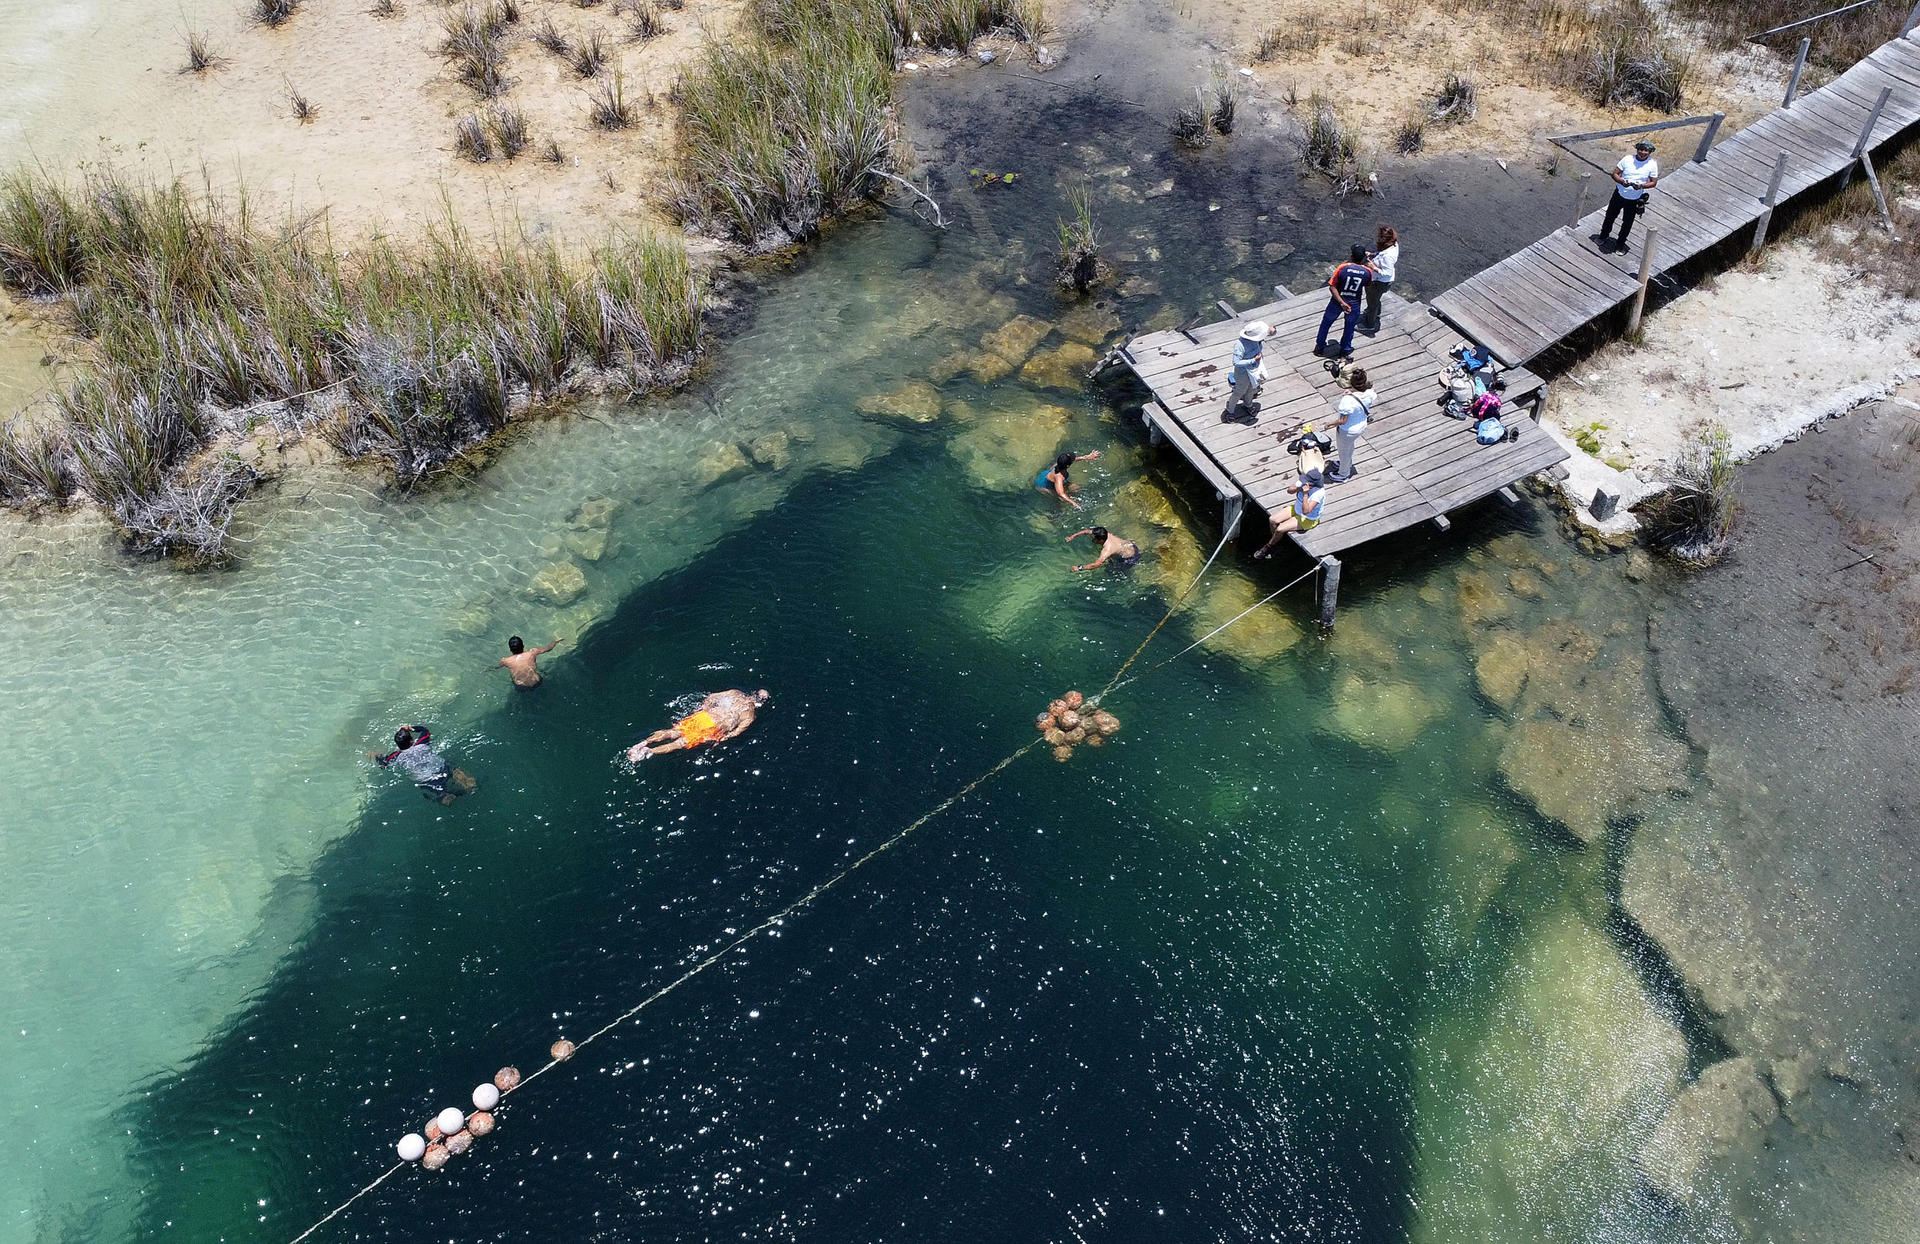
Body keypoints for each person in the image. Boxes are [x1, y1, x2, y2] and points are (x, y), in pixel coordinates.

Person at [627, 689, 770, 761]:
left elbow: (711, 698)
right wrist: (720, 739)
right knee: (680, 743)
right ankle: (649, 751)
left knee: (674, 731)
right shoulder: (750, 715)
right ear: (760, 703)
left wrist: (703, 709)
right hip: (715, 727)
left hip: (704, 716)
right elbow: (735, 733)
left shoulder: (735, 693)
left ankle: (644, 742)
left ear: (753, 692)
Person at [370, 725, 476, 804]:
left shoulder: (396, 756)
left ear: (398, 745)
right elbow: (425, 730)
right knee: (453, 769)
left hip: (426, 779)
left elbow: (383, 764)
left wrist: (375, 755)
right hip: (440, 768)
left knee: (439, 793)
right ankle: (467, 783)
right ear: (412, 740)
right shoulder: (422, 743)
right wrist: (410, 728)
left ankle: (445, 797)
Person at [1597, 140, 1659, 252]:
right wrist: (1621, 181)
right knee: (1609, 216)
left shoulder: (1652, 164)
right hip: (1619, 194)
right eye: (1641, 149)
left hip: (1634, 199)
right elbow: (1615, 173)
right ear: (1637, 149)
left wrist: (1641, 186)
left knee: (1627, 223)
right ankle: (1603, 236)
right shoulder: (1627, 159)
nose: (1643, 152)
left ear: (1650, 152)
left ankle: (1620, 245)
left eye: (1646, 150)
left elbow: (1653, 182)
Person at [1315, 244, 1372, 360]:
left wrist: (1341, 302)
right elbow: (1368, 284)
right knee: (1349, 327)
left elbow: (1332, 287)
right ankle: (1344, 350)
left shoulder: (1342, 268)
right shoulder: (1367, 272)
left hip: (1337, 301)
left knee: (1326, 323)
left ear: (1351, 256)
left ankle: (1320, 347)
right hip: (1354, 303)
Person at [1253, 469, 1326, 559]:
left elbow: (1306, 511)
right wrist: (1298, 488)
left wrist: (1306, 494)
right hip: (1296, 508)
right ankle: (1276, 540)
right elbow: (1289, 491)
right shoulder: (1303, 482)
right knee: (1272, 519)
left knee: (1280, 529)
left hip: (1308, 518)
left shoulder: (1318, 493)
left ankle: (1269, 546)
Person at [1327, 366, 1375, 483]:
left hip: (1347, 430)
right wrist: (1351, 393)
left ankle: (1343, 474)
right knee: (1349, 447)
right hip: (1361, 426)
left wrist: (1329, 424)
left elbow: (1343, 421)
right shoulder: (1369, 393)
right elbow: (1361, 397)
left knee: (1343, 451)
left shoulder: (1347, 401)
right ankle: (1346, 464)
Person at [1225, 319, 1275, 423]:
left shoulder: (1257, 341)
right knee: (1239, 392)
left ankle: (1248, 404)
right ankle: (1230, 411)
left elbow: (1269, 332)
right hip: (1243, 373)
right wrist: (1253, 360)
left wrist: (1272, 330)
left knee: (1252, 389)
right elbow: (1236, 362)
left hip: (1254, 370)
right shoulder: (1239, 345)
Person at [1361, 224, 1398, 334]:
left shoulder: (1388, 256)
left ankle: (1369, 325)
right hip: (1379, 281)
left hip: (1379, 282)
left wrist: (1373, 267)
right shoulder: (1394, 245)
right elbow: (1381, 254)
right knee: (1375, 299)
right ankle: (1376, 312)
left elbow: (1386, 273)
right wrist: (1373, 254)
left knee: (1372, 301)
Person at [1035, 449, 1102, 508]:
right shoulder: (1059, 477)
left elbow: (1073, 460)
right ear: (1067, 465)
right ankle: (1054, 516)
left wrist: (1087, 457)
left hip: (1047, 476)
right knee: (1062, 499)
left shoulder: (1061, 463)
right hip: (1042, 486)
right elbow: (1061, 493)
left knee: (1076, 488)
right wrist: (1074, 503)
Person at [494, 635, 560, 688]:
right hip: (536, 682)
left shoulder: (505, 661)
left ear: (510, 649)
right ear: (523, 646)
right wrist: (556, 641)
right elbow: (549, 648)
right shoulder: (533, 652)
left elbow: (496, 667)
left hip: (521, 686)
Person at [1067, 525, 1141, 571]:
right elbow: (1086, 531)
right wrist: (1072, 536)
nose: (1092, 540)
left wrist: (1079, 568)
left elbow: (1096, 564)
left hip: (1130, 558)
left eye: (1094, 539)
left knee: (1109, 570)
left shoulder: (1107, 550)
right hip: (1131, 546)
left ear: (1101, 540)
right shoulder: (1104, 533)